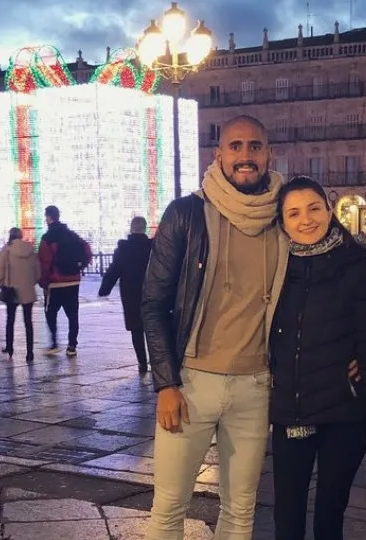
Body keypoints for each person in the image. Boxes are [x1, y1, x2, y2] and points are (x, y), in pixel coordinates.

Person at [142, 115, 289, 539]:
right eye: (236, 146)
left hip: (255, 387)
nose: (246, 156)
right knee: (169, 508)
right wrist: (166, 383)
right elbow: (152, 302)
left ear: (268, 153)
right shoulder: (186, 214)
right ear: (219, 155)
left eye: (255, 147)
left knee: (241, 512)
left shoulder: (283, 217)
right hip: (190, 384)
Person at [270, 176, 366, 540]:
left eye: (314, 208)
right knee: (287, 516)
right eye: (293, 213)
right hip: (291, 412)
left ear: (330, 211)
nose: (306, 219)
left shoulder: (359, 271)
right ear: (282, 222)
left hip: (343, 412)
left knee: (331, 515)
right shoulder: (274, 272)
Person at [99, 216, 153, 374]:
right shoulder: (152, 247)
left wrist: (105, 288)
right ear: (145, 228)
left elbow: (114, 270)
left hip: (130, 294)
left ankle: (142, 363)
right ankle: (157, 362)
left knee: (136, 329)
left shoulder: (123, 249)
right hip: (152, 292)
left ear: (131, 229)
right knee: (153, 328)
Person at [38, 205, 92, 357]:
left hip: (56, 282)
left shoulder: (47, 238)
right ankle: (72, 346)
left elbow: (44, 262)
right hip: (73, 281)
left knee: (50, 312)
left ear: (48, 217)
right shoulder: (72, 235)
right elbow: (87, 250)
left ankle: (54, 342)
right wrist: (81, 267)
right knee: (73, 314)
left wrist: (44, 282)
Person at [0, 227, 40, 362]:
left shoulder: (7, 250)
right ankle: (30, 352)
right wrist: (30, 282)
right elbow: (37, 271)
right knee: (28, 322)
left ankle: (10, 347)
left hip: (11, 289)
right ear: (21, 236)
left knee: (10, 320)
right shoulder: (30, 250)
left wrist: (0, 283)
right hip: (27, 290)